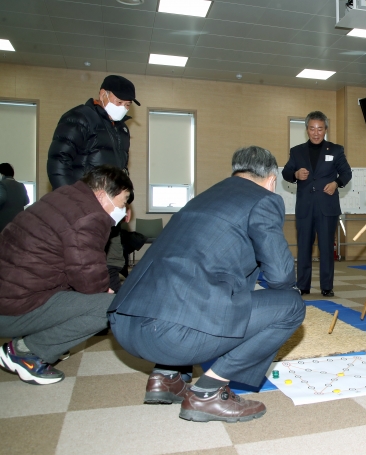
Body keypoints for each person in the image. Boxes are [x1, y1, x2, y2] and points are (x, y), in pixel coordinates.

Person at [108, 146, 305, 423]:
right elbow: (281, 276)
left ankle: (165, 378)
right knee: (291, 306)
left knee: (192, 290)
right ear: (271, 180)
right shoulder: (264, 199)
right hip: (172, 335)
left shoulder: (203, 197)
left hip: (125, 326)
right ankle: (208, 392)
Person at [0, 166, 134, 385]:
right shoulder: (90, 217)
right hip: (11, 309)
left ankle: (37, 340)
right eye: (123, 201)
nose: (124, 208)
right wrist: (104, 289)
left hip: (10, 295)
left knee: (78, 291)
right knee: (109, 306)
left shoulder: (62, 198)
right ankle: (27, 352)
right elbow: (88, 277)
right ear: (102, 194)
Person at [47, 74, 140, 291]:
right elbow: (58, 162)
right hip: (83, 208)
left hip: (110, 211)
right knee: (82, 264)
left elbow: (121, 172)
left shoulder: (122, 130)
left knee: (112, 264)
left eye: (127, 105)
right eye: (119, 102)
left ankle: (110, 316)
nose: (123, 108)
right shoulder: (79, 118)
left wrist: (125, 203)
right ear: (102, 94)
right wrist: (71, 203)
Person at [282, 111, 352, 297]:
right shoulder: (297, 151)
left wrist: (336, 183)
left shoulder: (336, 150)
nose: (316, 132)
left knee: (327, 247)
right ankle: (303, 286)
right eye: (312, 128)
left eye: (320, 129)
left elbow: (346, 173)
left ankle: (326, 287)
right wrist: (295, 175)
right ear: (306, 129)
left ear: (325, 129)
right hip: (305, 206)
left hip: (327, 207)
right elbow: (286, 173)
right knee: (304, 247)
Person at [0, 163, 30, 232]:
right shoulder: (21, 185)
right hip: (18, 222)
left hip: (3, 222)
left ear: (2, 174)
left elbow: (2, 198)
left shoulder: (2, 184)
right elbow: (27, 201)